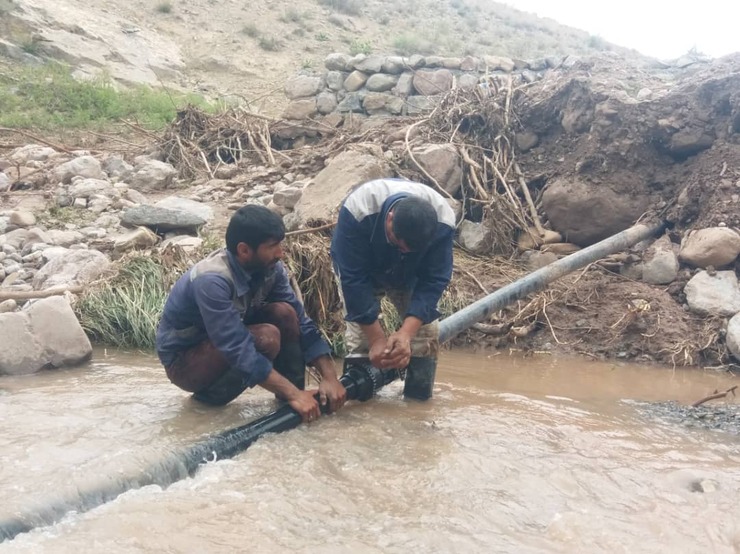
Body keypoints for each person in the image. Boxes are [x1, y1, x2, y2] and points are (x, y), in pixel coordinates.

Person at [156, 204, 346, 422]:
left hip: (221, 343)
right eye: (273, 246)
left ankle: (291, 402)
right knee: (267, 337)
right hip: (184, 363)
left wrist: (330, 377)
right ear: (244, 250)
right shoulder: (211, 280)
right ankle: (205, 407)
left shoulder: (271, 269)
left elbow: (301, 321)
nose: (281, 253)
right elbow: (237, 347)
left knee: (284, 313)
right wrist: (294, 394)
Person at [330, 178, 456, 400]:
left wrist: (406, 333)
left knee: (425, 335)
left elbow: (434, 280)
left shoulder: (443, 221)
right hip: (365, 271)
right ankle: (361, 409)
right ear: (389, 219)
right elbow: (353, 280)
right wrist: (377, 339)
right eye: (399, 243)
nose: (404, 251)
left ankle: (417, 405)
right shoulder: (359, 210)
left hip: (411, 275)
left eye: (412, 249)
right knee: (362, 343)